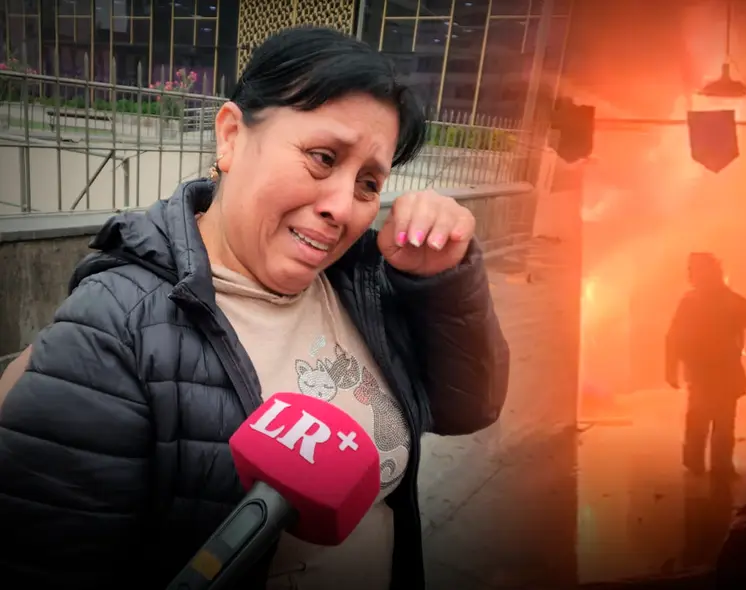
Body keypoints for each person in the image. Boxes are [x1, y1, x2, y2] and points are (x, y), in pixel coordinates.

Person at [0, 26, 509, 590]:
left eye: (369, 183)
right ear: (231, 137)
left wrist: (442, 283)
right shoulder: (113, 331)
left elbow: (471, 409)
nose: (343, 207)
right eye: (322, 157)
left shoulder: (361, 280)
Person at [665, 253, 746, 479]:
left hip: (712, 370)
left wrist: (671, 368)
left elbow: (673, 336)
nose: (692, 275)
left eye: (694, 270)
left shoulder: (698, 300)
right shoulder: (711, 299)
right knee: (715, 419)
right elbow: (674, 336)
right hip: (715, 370)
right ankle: (713, 465)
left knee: (708, 417)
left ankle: (703, 463)